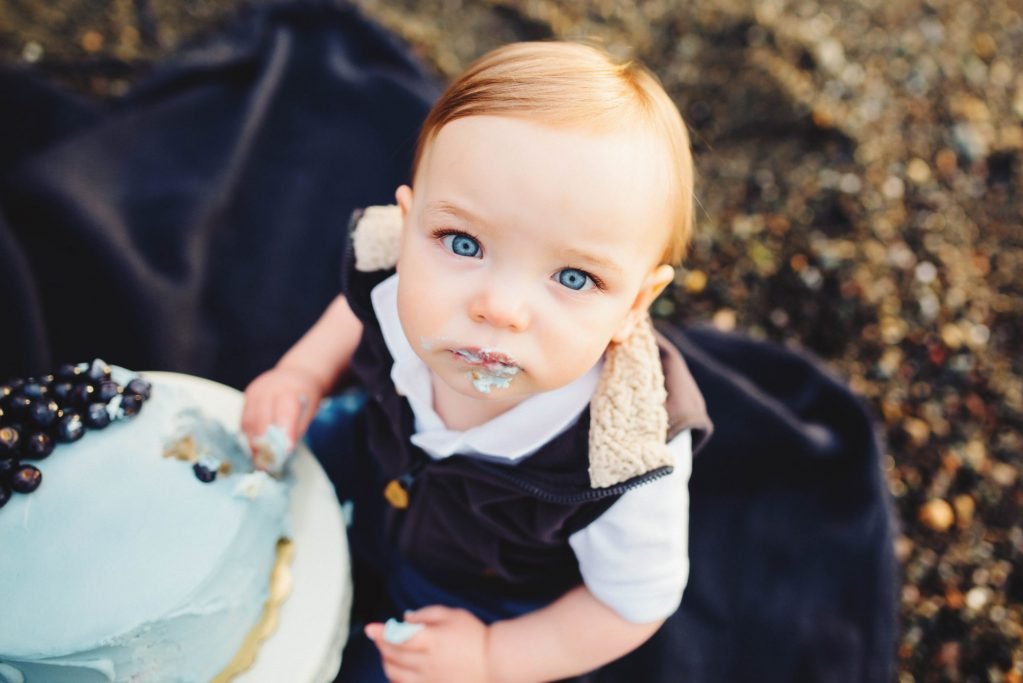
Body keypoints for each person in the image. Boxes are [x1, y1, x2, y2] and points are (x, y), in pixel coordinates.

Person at [241, 41, 712, 683]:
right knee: (255, 470)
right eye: (463, 243)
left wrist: (495, 657)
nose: (499, 308)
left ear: (636, 303)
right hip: (376, 460)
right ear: (407, 230)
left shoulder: (624, 464)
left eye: (573, 278)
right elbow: (357, 312)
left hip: (480, 594)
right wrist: (301, 374)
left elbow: (630, 605)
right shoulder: (397, 281)